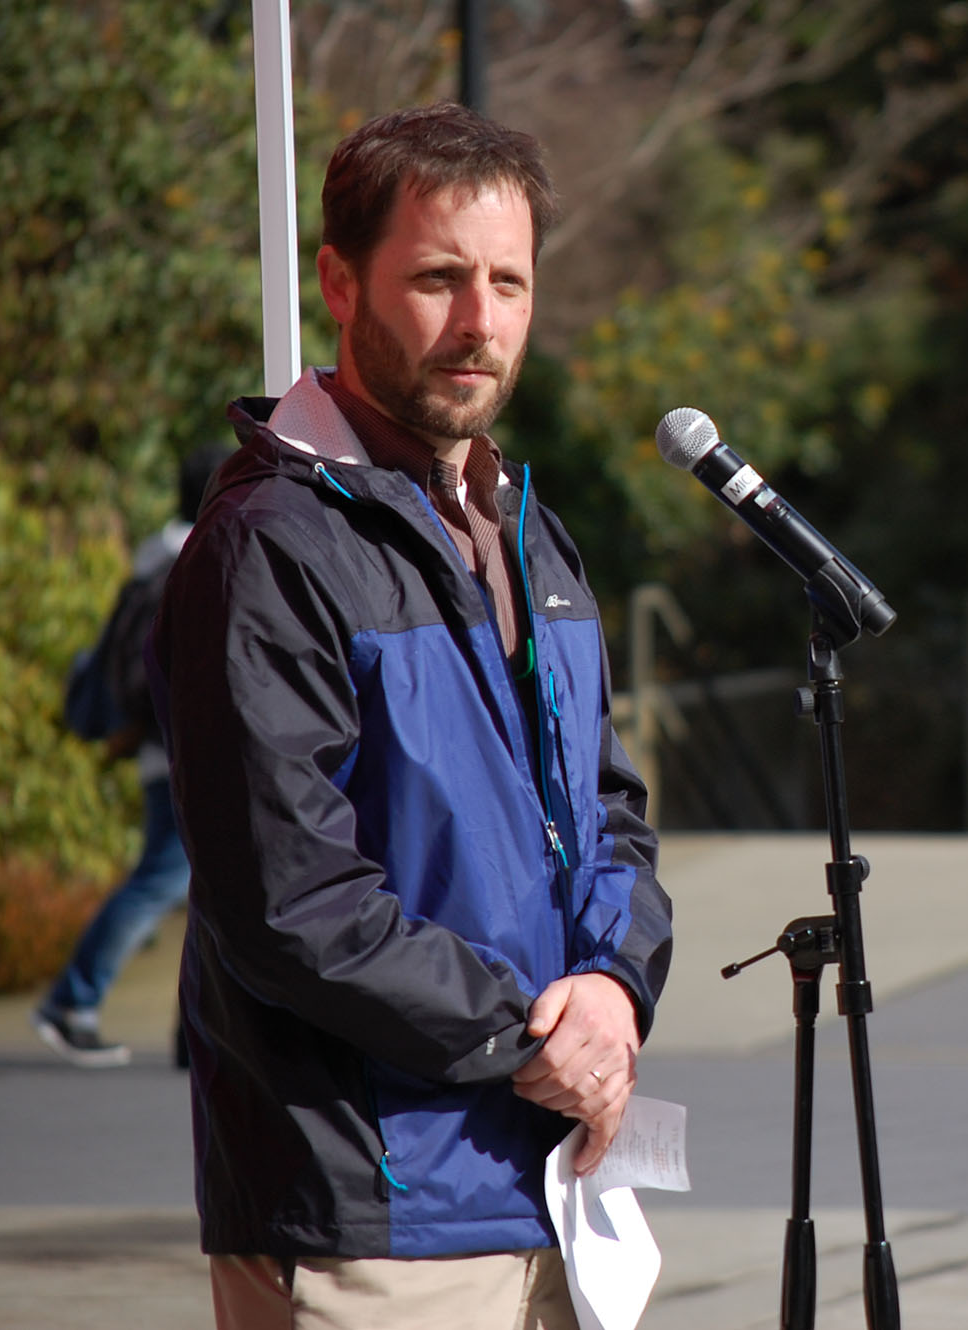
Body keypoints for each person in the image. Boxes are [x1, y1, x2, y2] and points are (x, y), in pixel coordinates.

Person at [152, 102, 673, 1329]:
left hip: (552, 1190)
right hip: (371, 1212)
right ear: (340, 280)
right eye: (437, 278)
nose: (480, 323)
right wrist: (534, 1038)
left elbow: (608, 809)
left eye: (508, 281)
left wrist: (612, 986)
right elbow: (291, 902)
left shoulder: (528, 529)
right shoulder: (269, 549)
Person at [33, 443, 230, 1068]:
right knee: (164, 880)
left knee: (203, 887)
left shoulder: (159, 555)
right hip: (184, 752)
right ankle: (72, 1002)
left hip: (161, 749)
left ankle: (191, 1028)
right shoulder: (194, 559)